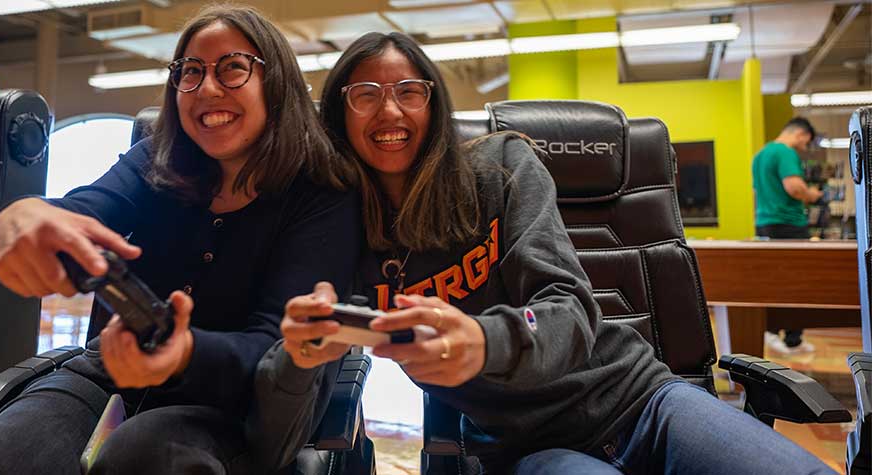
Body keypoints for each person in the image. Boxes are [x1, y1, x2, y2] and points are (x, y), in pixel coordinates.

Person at [254, 32, 838, 475]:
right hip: (530, 447)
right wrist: (301, 355)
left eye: (410, 91)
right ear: (337, 113)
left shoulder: (500, 169)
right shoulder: (333, 228)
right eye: (366, 95)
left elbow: (570, 307)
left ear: (433, 106)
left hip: (641, 399)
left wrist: (483, 341)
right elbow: (292, 401)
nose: (390, 112)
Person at [0, 4, 360, 475]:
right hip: (112, 374)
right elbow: (84, 209)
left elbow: (273, 348)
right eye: (190, 71)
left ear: (275, 83)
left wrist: (183, 354)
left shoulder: (323, 195)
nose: (207, 88)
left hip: (240, 405)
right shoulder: (156, 159)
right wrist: (25, 213)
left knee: (144, 455)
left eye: (233, 69)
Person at [753, 117, 823, 355]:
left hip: (764, 223)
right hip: (788, 224)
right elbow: (794, 187)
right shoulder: (785, 152)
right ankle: (792, 339)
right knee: (798, 281)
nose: (805, 147)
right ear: (801, 134)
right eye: (807, 143)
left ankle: (773, 331)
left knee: (772, 279)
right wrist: (812, 194)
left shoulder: (760, 155)